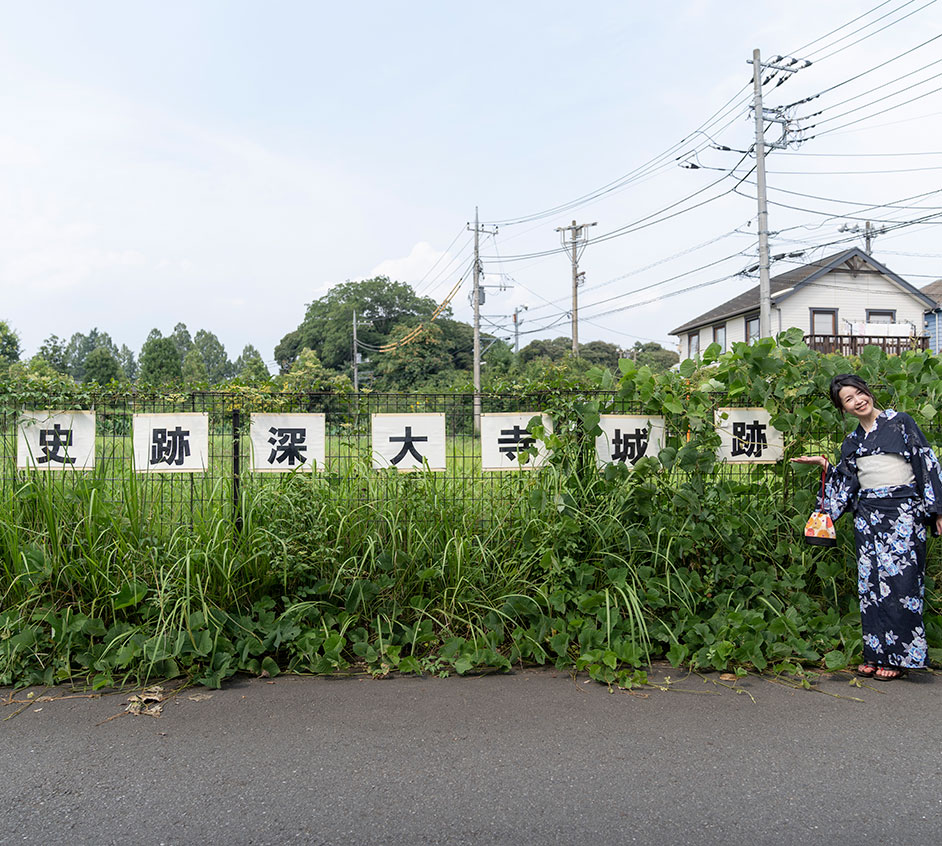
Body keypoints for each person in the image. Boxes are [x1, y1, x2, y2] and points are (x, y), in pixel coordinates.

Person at [792, 373, 942, 680]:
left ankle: (899, 659)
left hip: (903, 514)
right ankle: (875, 653)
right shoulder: (852, 441)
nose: (858, 400)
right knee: (871, 586)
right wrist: (825, 466)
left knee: (901, 585)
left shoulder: (901, 422)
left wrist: (937, 510)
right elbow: (847, 483)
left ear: (867, 392)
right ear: (843, 408)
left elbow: (926, 463)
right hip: (868, 516)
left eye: (859, 393)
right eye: (849, 399)